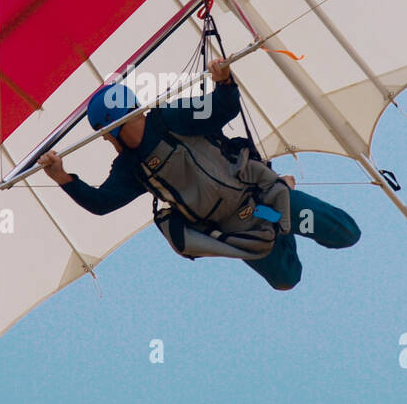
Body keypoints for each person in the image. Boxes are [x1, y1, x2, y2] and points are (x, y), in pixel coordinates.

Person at [37, 57, 361, 289]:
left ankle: (282, 203)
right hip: (233, 226)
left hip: (260, 200)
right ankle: (281, 222)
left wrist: (224, 81)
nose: (106, 140)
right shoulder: (130, 167)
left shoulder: (169, 119)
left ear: (118, 121)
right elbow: (101, 203)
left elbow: (222, 108)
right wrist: (61, 177)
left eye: (105, 132)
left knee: (346, 232)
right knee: (286, 279)